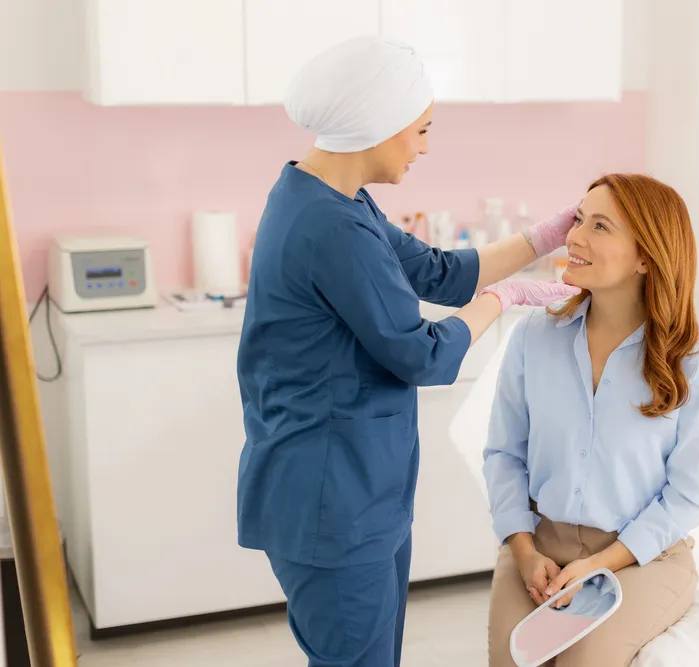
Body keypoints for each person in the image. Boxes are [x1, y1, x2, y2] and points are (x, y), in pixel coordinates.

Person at [235, 37, 580, 667]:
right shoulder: (329, 225)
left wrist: (541, 237)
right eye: (421, 130)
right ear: (377, 127)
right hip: (330, 499)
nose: (425, 146)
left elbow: (440, 273)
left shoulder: (332, 199)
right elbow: (421, 355)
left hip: (361, 492)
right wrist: (506, 298)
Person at [483, 173, 699, 666]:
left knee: (583, 659)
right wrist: (525, 551)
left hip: (639, 556)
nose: (573, 237)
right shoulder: (535, 337)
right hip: (538, 546)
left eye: (599, 226)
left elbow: (688, 495)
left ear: (645, 256)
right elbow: (504, 454)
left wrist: (599, 563)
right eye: (578, 219)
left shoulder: (692, 363)